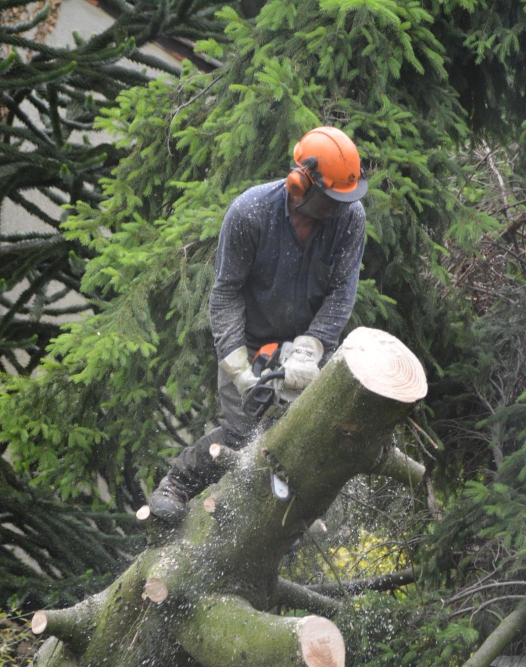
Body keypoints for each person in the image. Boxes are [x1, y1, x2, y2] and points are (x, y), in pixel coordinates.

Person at [148, 126, 369, 523]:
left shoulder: (349, 219)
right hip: (249, 340)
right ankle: (176, 484)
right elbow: (226, 293)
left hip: (308, 340)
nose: (340, 208)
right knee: (243, 434)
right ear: (300, 184)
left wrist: (311, 349)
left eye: (344, 199)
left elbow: (341, 293)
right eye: (331, 199)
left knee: (308, 439)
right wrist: (237, 364)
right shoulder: (250, 213)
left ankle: (288, 529)